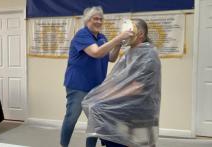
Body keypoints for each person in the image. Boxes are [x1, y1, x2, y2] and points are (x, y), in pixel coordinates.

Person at [60, 6, 134, 147]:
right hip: (78, 86)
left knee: (95, 122)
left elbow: (111, 58)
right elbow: (96, 53)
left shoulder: (101, 37)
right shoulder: (82, 35)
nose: (99, 21)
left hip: (96, 87)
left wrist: (118, 43)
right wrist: (118, 38)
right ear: (87, 20)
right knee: (72, 117)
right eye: (95, 18)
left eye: (101, 19)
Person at [82, 19, 161, 147]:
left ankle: (117, 143)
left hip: (140, 102)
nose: (125, 34)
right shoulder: (130, 53)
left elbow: (138, 87)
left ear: (140, 34)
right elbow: (117, 79)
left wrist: (111, 97)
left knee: (99, 110)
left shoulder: (148, 55)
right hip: (129, 98)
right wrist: (104, 94)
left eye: (129, 31)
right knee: (93, 105)